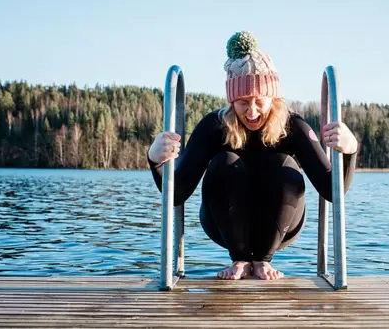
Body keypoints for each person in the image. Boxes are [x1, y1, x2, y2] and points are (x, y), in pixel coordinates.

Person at [147, 31, 359, 281]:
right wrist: (155, 161)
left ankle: (262, 260)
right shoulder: (214, 126)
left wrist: (350, 150)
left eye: (260, 100)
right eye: (243, 102)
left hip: (282, 224)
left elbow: (332, 189)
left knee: (284, 165)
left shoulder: (294, 127)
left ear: (273, 97)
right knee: (224, 162)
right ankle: (240, 259)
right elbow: (177, 194)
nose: (252, 111)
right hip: (223, 224)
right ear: (231, 100)